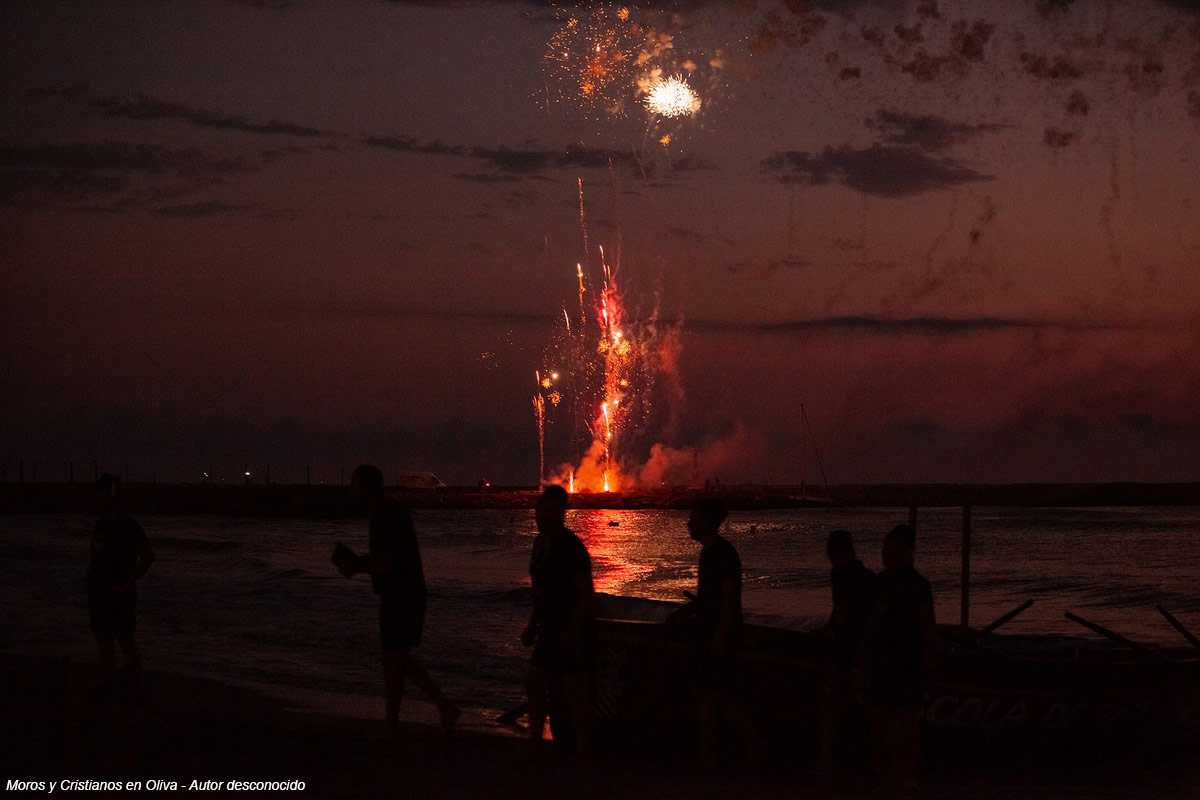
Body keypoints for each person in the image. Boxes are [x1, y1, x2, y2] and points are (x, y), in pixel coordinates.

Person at [338, 464, 459, 735]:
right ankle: (440, 707)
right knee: (397, 658)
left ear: (366, 488)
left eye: (354, 486)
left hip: (401, 594)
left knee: (394, 660)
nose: (350, 492)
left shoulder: (384, 516)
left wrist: (356, 565)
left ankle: (395, 722)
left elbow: (386, 563)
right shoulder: (388, 512)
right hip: (405, 592)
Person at [667, 497, 766, 765]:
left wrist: (721, 636)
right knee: (707, 694)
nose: (689, 523)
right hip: (710, 631)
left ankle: (749, 745)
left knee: (714, 694)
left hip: (717, 634)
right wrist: (686, 612)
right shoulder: (710, 553)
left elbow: (729, 598)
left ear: (706, 522)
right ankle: (711, 752)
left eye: (693, 519)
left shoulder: (722, 554)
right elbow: (710, 598)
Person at [855, 524, 937, 792]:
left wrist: (927, 660)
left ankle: (907, 770)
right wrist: (865, 650)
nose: (885, 556)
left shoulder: (918, 585)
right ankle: (896, 765)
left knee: (905, 718)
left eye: (891, 551)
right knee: (881, 714)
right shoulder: (881, 582)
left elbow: (927, 626)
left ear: (906, 553)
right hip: (883, 657)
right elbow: (872, 620)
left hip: (907, 658)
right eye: (884, 551)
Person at [521, 484, 595, 760]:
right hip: (549, 627)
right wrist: (533, 624)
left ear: (562, 513)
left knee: (575, 691)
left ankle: (583, 752)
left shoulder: (571, 547)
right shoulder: (539, 545)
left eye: (550, 511)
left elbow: (586, 592)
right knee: (535, 684)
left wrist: (573, 628)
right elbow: (540, 589)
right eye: (540, 511)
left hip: (568, 627)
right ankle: (536, 743)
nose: (543, 517)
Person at [86, 473, 154, 700]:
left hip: (119, 594)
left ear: (108, 497)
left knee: (124, 640)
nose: (94, 501)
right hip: (99, 593)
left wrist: (127, 582)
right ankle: (107, 686)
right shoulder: (101, 525)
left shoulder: (128, 526)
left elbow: (147, 556)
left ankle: (131, 690)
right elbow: (97, 556)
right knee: (103, 640)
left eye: (98, 496)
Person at [815, 530, 876, 773]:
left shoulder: (864, 580)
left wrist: (864, 649)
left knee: (863, 705)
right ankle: (827, 756)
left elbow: (870, 619)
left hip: (858, 648)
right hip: (843, 646)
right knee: (834, 701)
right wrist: (829, 629)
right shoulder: (839, 575)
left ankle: (872, 759)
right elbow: (839, 608)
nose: (834, 561)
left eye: (836, 556)